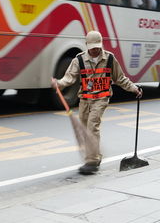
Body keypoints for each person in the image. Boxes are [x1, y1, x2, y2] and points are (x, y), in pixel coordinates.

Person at [51, 30, 142, 175]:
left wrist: (134, 89)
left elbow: (120, 78)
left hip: (101, 99)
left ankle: (91, 161)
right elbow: (69, 78)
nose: (95, 50)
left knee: (93, 126)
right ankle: (97, 155)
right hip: (85, 99)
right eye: (92, 47)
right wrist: (59, 84)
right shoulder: (79, 60)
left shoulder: (110, 59)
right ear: (87, 45)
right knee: (85, 129)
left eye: (98, 46)